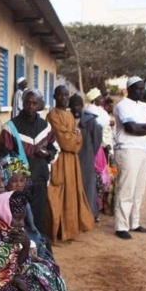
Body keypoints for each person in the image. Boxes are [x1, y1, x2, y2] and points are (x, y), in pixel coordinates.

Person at [0, 90, 58, 239]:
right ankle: (23, 249)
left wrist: (47, 154)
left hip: (40, 180)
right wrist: (19, 172)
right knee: (19, 219)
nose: (31, 106)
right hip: (18, 184)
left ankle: (40, 248)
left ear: (40, 105)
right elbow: (3, 157)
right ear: (22, 103)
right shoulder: (10, 127)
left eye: (35, 103)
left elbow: (54, 149)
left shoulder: (45, 127)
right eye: (28, 102)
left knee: (39, 219)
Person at [113, 77, 146, 239]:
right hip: (127, 149)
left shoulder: (145, 106)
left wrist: (141, 127)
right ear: (129, 89)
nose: (141, 91)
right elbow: (131, 128)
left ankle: (134, 222)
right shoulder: (122, 105)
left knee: (139, 190)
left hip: (143, 150)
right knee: (126, 188)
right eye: (138, 89)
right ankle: (121, 226)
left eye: (142, 88)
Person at [46, 86, 95, 242]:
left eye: (66, 95)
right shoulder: (52, 115)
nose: (63, 98)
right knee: (57, 194)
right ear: (54, 96)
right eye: (60, 95)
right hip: (59, 159)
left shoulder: (69, 115)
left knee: (72, 194)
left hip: (72, 161)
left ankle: (70, 229)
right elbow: (65, 141)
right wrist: (74, 136)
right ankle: (58, 230)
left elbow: (78, 141)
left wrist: (74, 136)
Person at [71, 94, 103, 220]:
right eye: (73, 105)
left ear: (82, 106)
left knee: (87, 186)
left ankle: (89, 214)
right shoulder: (67, 119)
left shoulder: (90, 121)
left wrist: (90, 153)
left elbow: (97, 140)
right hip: (71, 158)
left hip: (86, 157)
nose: (76, 108)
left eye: (78, 105)